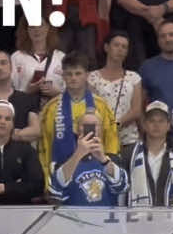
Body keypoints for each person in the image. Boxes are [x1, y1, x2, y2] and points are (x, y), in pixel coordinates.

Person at [39, 50, 119, 183]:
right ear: (63, 76)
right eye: (69, 74)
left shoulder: (101, 106)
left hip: (96, 177)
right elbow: (44, 146)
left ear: (87, 75)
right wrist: (48, 181)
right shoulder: (51, 108)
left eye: (78, 73)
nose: (73, 78)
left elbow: (112, 141)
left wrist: (109, 170)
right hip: (62, 176)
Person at [48, 108, 127, 206]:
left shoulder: (113, 159)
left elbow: (122, 187)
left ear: (101, 129)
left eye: (95, 125)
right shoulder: (64, 160)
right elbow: (55, 190)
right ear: (77, 129)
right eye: (85, 125)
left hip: (105, 219)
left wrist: (103, 159)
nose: (90, 128)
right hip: (75, 218)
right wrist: (78, 155)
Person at [0, 99, 44, 201]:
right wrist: (18, 185)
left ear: (13, 124)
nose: (2, 122)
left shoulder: (27, 151)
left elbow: (38, 186)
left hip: (20, 211)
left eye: (8, 119)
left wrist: (3, 188)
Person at [121, 100, 173, 208]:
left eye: (161, 121)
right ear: (144, 125)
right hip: (138, 220)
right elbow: (122, 190)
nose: (156, 125)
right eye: (152, 120)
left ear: (168, 125)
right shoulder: (129, 154)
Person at [88, 30, 143, 149]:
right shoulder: (92, 77)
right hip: (101, 139)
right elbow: (92, 107)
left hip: (128, 140)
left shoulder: (134, 77)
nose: (120, 49)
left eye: (124, 47)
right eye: (116, 45)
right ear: (107, 47)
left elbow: (136, 110)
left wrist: (117, 124)